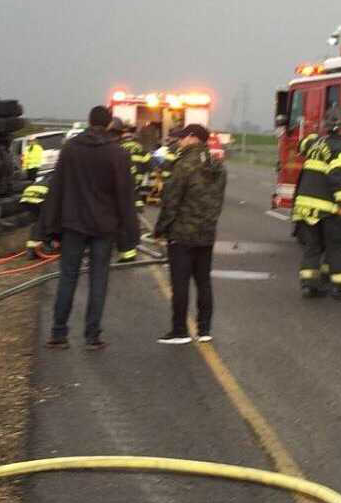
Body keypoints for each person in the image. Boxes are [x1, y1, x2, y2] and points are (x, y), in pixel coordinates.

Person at [39, 105, 140, 350]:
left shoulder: (70, 149)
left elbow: (57, 188)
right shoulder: (117, 154)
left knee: (68, 278)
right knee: (98, 280)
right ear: (108, 125)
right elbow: (124, 196)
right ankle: (92, 336)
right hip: (104, 228)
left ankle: (58, 333)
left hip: (73, 225)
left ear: (88, 121)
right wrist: (130, 234)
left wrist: (47, 229)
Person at [151, 123, 227, 345]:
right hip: (206, 233)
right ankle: (204, 330)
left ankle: (179, 331)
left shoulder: (183, 165)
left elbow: (170, 202)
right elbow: (218, 201)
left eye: (183, 137)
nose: (180, 141)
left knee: (180, 283)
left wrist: (161, 229)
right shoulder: (217, 166)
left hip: (182, 234)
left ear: (193, 138)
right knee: (203, 282)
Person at [293, 105, 341, 300]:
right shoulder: (339, 149)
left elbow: (301, 145)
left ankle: (309, 285)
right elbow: (335, 176)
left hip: (305, 206)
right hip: (326, 207)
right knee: (337, 245)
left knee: (313, 246)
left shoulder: (316, 143)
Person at [117, 120, 153, 211]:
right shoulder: (140, 148)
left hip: (122, 181)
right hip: (137, 180)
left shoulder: (117, 147)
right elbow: (148, 164)